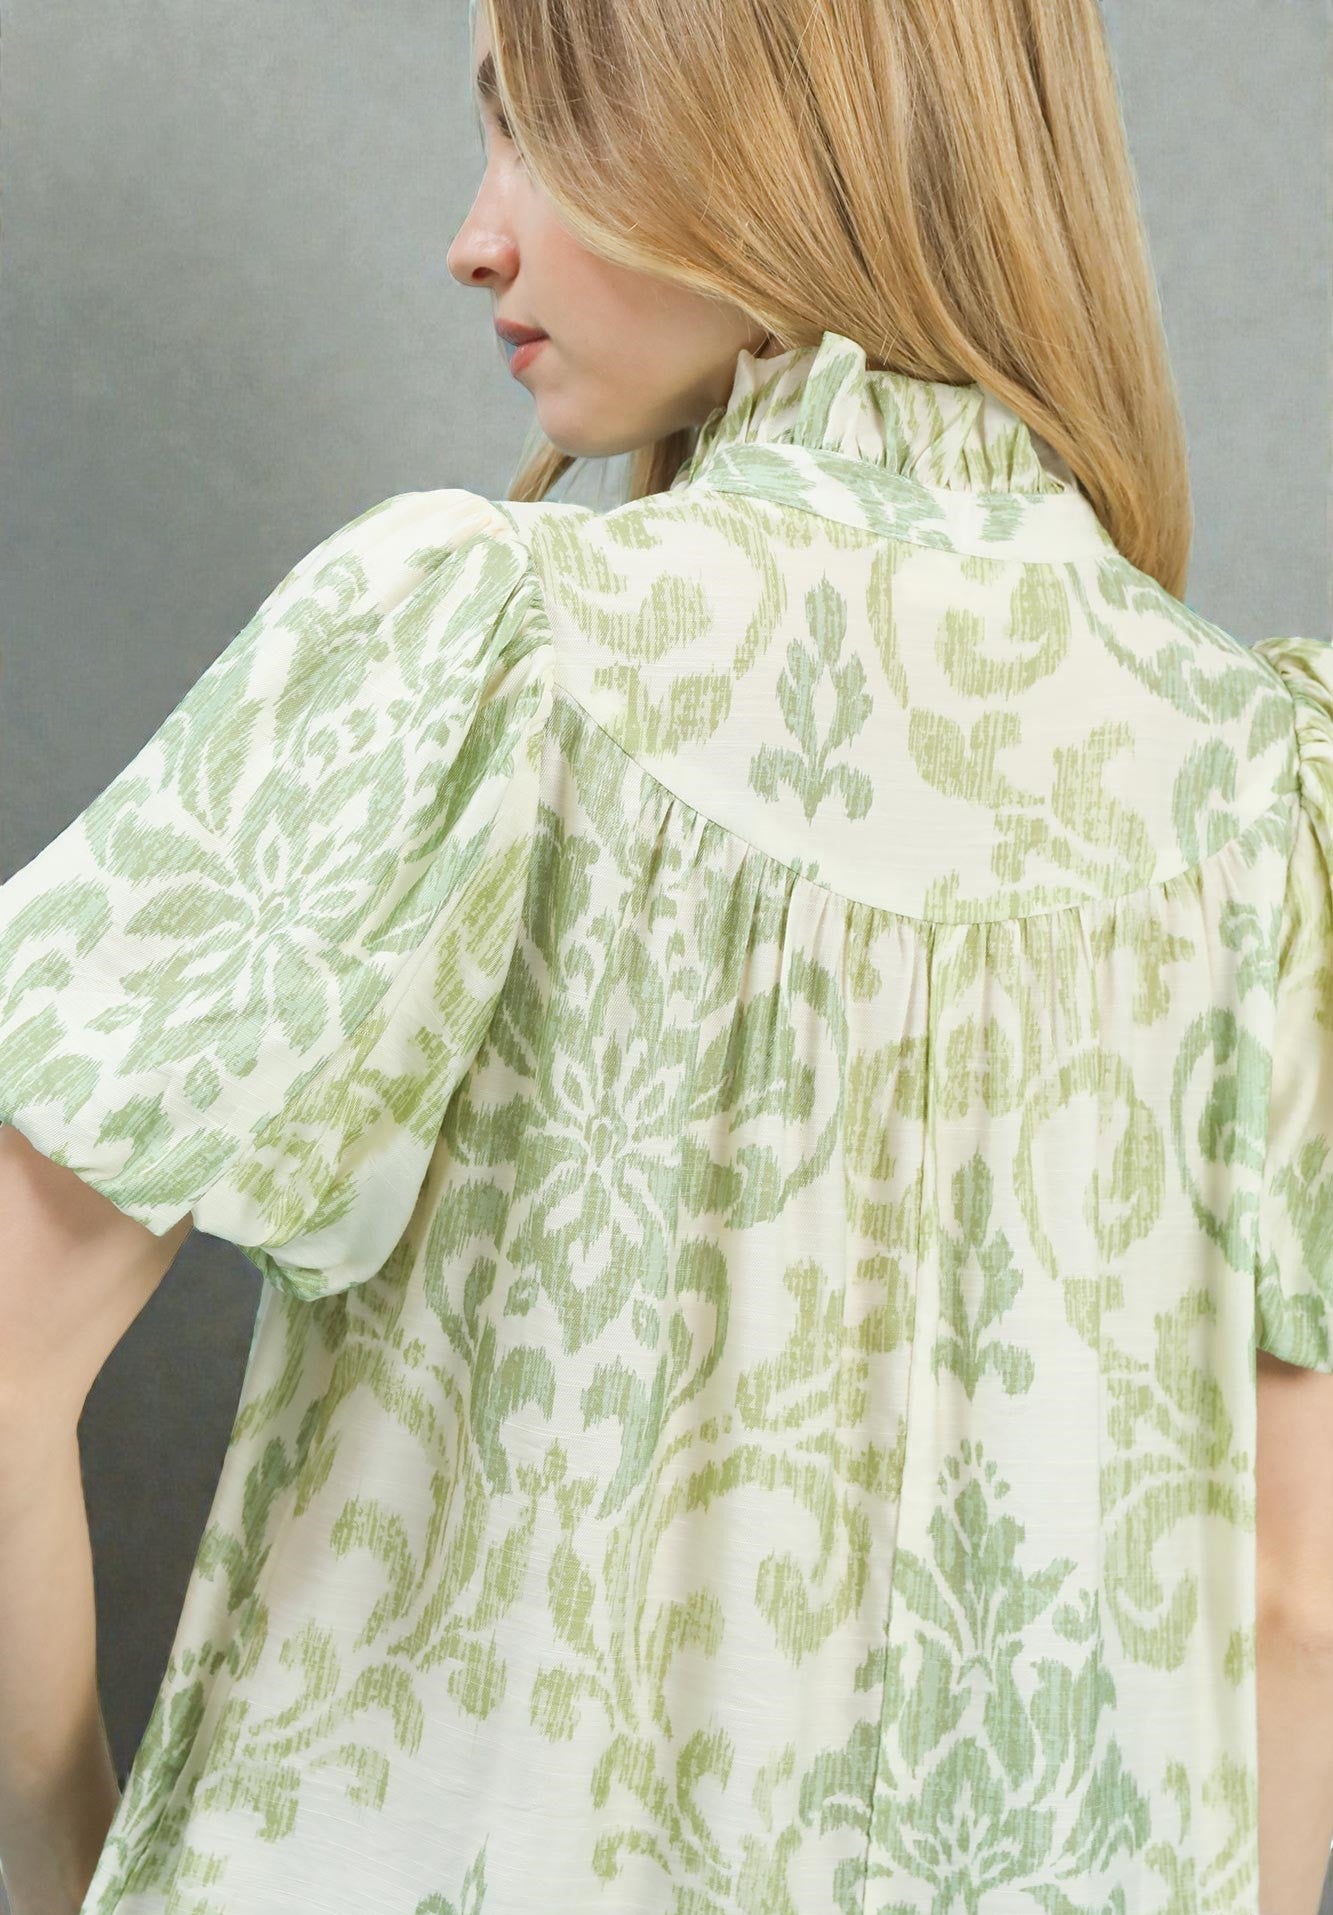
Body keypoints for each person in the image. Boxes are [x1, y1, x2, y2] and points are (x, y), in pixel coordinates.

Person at [0, 0, 1330, 1909]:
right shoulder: (1270, 795)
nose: (476, 234)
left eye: (540, 128)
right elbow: (1296, 1607)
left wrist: (59, 1867)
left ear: (773, 131)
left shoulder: (481, 643)